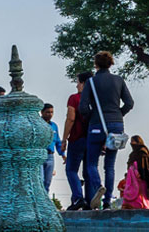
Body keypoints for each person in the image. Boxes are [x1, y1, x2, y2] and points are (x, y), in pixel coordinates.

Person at [79, 51, 134, 210]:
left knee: (91, 163)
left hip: (97, 125)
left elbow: (83, 107)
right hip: (116, 125)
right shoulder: (118, 80)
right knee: (109, 165)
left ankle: (98, 187)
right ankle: (108, 201)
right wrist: (118, 114)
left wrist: (92, 117)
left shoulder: (91, 82)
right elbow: (129, 103)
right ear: (111, 63)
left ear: (96, 65)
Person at [63, 71, 93, 210]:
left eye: (79, 82)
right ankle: (90, 201)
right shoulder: (96, 100)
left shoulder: (74, 98)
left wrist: (64, 139)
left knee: (71, 170)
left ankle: (78, 197)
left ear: (84, 84)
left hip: (77, 137)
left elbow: (71, 118)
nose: (77, 86)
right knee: (89, 170)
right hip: (92, 139)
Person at [120, 135, 149, 209]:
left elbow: (144, 167)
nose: (132, 143)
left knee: (140, 197)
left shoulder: (142, 152)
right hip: (131, 180)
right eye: (131, 141)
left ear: (138, 142)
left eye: (133, 141)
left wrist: (142, 176)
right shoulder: (133, 154)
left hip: (140, 178)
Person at [42, 103, 64, 192]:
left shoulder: (54, 126)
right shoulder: (37, 124)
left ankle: (45, 202)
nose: (50, 114)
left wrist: (62, 154)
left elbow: (57, 141)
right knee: (40, 180)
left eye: (51, 112)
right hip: (40, 155)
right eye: (47, 112)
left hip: (50, 156)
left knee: (47, 181)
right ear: (42, 112)